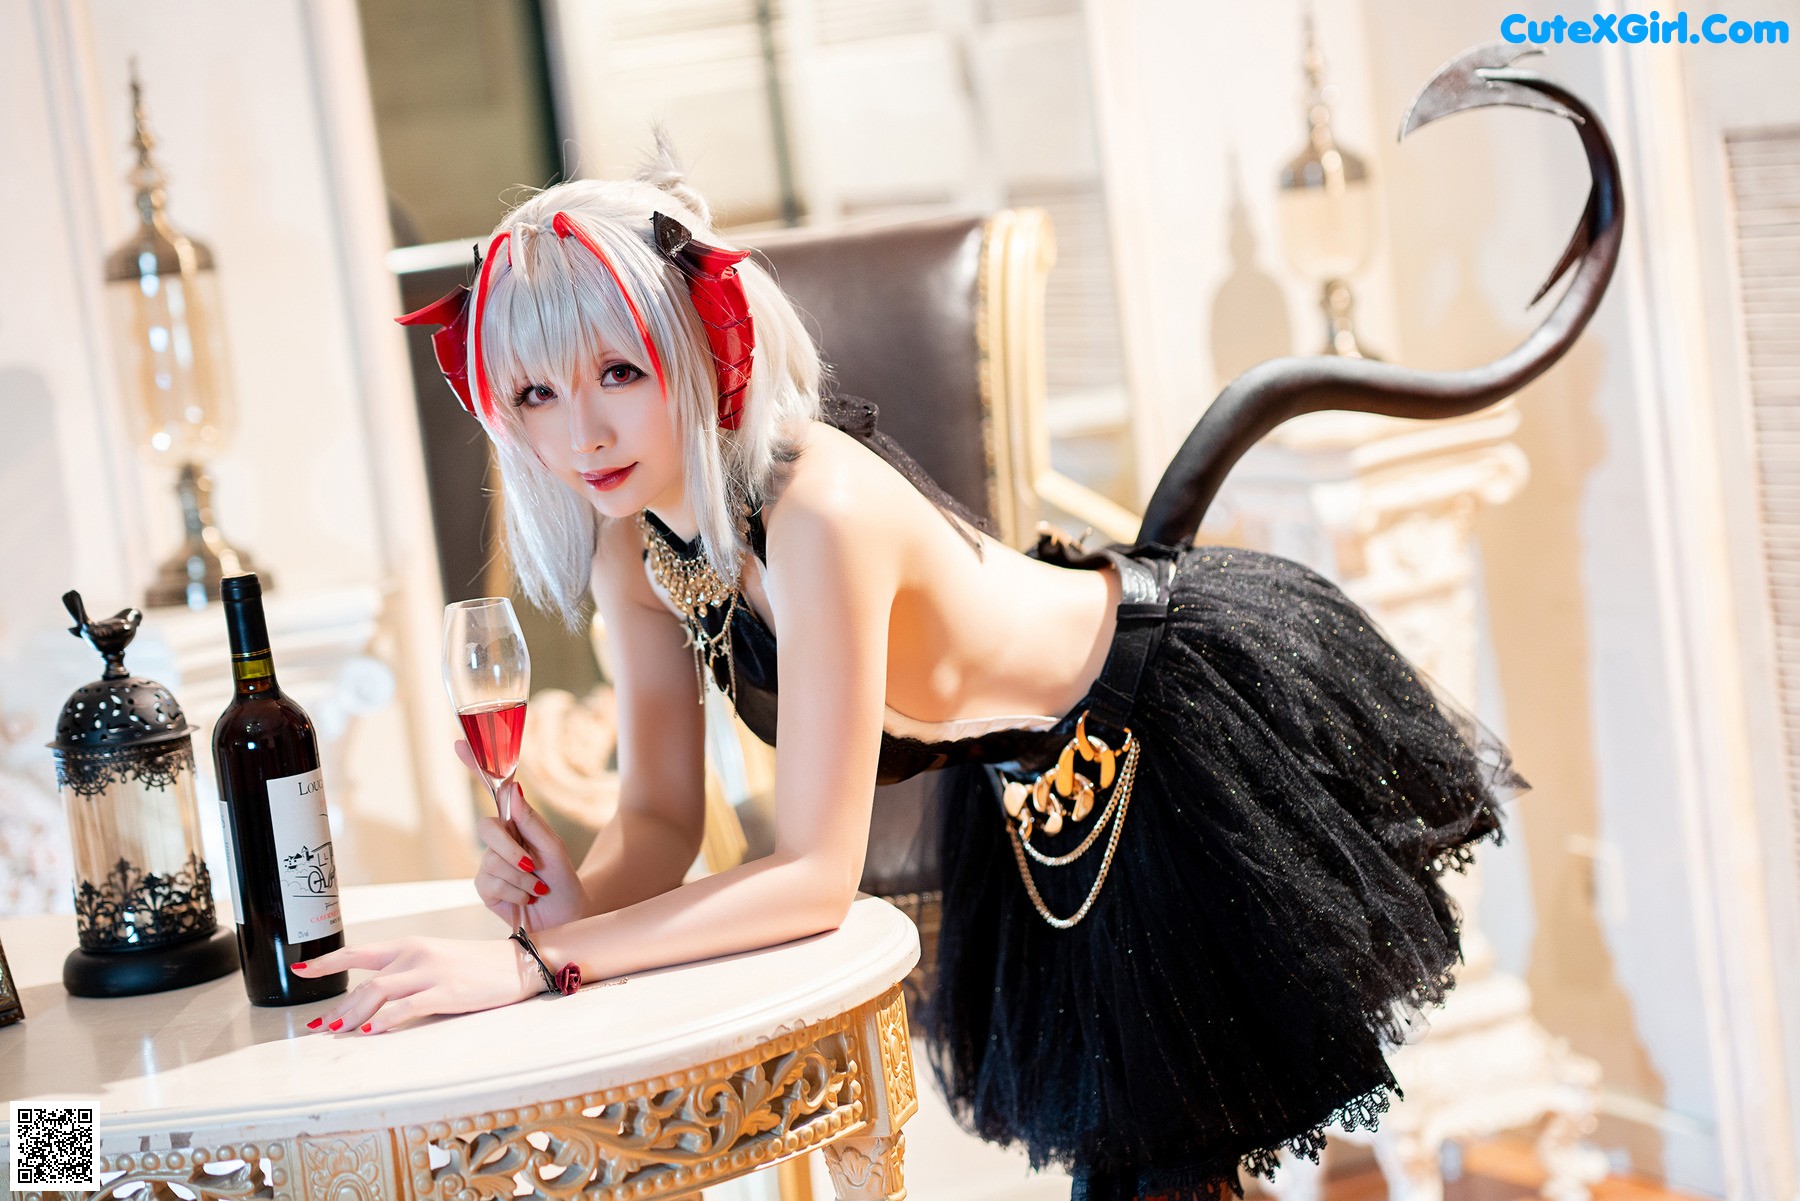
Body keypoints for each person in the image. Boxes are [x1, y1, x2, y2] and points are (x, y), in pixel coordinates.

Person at [292, 138, 1522, 1201]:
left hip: (1170, 722)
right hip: (1028, 788)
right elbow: (660, 819)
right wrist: (568, 903)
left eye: (620, 371)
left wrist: (528, 965)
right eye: (536, 394)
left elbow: (813, 877)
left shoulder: (817, 513)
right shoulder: (637, 547)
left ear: (702, 345)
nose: (583, 432)